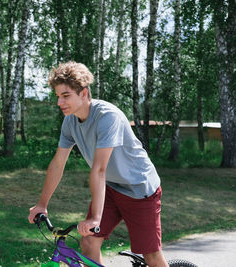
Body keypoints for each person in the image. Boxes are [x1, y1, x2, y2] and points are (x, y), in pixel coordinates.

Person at [28, 61, 169, 267]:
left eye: (66, 96)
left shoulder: (107, 116)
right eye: (58, 96)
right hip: (111, 188)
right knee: (88, 241)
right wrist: (42, 204)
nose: (60, 102)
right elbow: (58, 163)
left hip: (139, 189)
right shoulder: (70, 121)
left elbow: (99, 169)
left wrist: (95, 218)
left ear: (84, 94)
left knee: (151, 256)